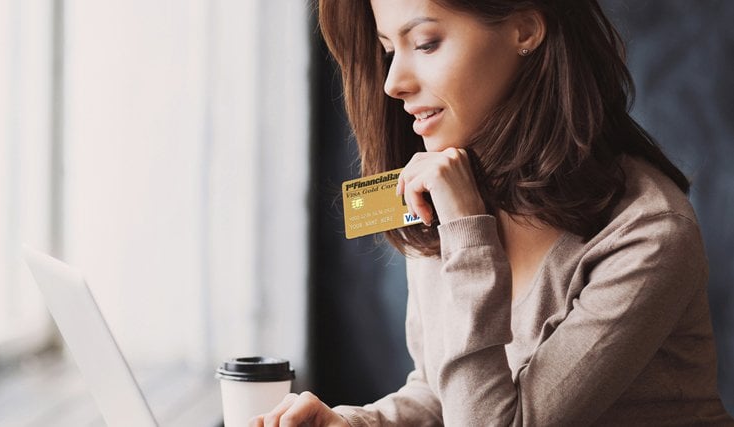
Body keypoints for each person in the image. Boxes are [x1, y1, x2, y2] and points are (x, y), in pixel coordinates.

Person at [251, 0, 734, 425]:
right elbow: (447, 392)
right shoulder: (446, 189)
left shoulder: (649, 233)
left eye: (425, 43)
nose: (393, 83)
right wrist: (353, 423)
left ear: (525, 30)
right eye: (388, 50)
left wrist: (467, 233)